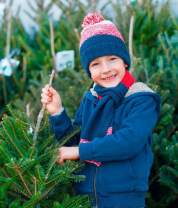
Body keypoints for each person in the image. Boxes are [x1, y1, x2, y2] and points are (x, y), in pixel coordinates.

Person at [41, 13, 161, 208]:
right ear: (89, 71)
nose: (105, 69)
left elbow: (128, 142)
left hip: (123, 196)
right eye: (95, 64)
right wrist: (57, 112)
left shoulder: (141, 100)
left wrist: (79, 151)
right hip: (86, 195)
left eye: (112, 58)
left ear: (125, 62)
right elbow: (73, 140)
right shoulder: (91, 99)